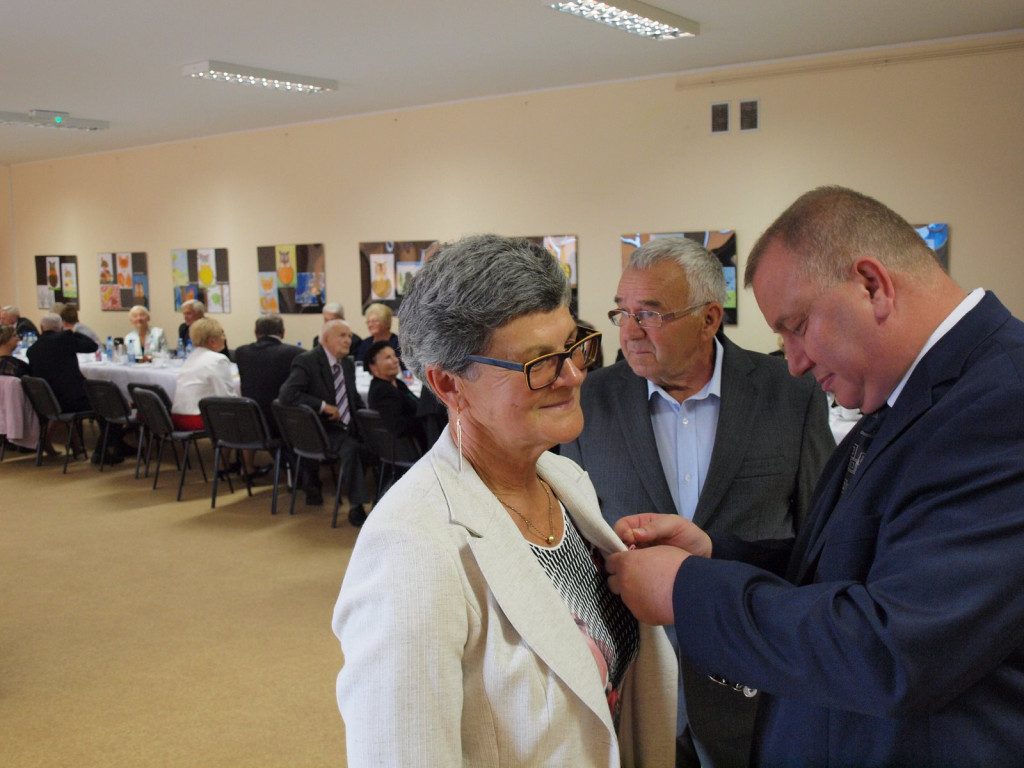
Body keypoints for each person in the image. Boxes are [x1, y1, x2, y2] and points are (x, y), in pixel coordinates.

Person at [605, 186, 1024, 767]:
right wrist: (713, 554)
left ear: (872, 286)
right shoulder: (909, 397)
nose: (795, 360)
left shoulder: (1003, 400)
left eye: (798, 326)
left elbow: (892, 649)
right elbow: (852, 568)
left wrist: (687, 591)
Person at [333, 234, 677, 766]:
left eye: (573, 345)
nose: (572, 374)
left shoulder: (566, 482)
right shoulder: (410, 549)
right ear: (450, 385)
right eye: (539, 363)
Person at [561, 235, 833, 767]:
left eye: (650, 314)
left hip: (756, 665)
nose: (630, 330)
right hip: (637, 673)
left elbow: (819, 540)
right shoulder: (590, 399)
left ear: (710, 319)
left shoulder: (790, 392)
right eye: (623, 312)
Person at [277, 319, 369, 525]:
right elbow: (287, 395)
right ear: (326, 339)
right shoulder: (307, 361)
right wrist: (322, 405)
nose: (348, 340)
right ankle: (357, 507)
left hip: (347, 423)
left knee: (377, 441)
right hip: (321, 427)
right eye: (342, 336)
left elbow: (352, 399)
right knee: (352, 448)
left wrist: (368, 420)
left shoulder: (347, 363)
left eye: (349, 335)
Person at [26, 312, 118, 462]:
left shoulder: (33, 349)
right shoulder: (64, 339)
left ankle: (85, 448)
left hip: (48, 402)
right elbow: (92, 346)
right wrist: (72, 332)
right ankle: (104, 452)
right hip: (71, 401)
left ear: (41, 327)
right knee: (110, 404)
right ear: (61, 327)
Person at [234, 314, 303, 476]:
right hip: (280, 421)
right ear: (283, 332)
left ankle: (247, 467)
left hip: (250, 421)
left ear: (256, 332)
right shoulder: (295, 353)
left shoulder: (241, 352)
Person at [170, 318, 236, 431]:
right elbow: (226, 396)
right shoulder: (218, 359)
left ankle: (222, 448)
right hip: (197, 418)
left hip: (177, 416)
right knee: (243, 416)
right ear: (212, 341)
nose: (224, 338)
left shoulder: (191, 356)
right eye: (222, 334)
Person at [364, 339, 426, 449]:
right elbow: (397, 427)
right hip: (408, 449)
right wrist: (424, 419)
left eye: (394, 356)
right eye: (388, 358)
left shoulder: (398, 383)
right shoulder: (383, 391)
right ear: (374, 368)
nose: (395, 360)